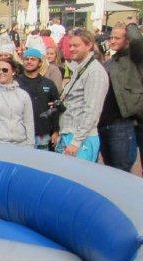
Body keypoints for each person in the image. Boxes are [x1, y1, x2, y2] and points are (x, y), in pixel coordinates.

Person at [55, 29, 109, 162]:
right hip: (69, 135)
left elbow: (92, 110)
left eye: (76, 45)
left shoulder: (95, 72)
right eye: (70, 45)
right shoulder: (80, 69)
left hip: (80, 140)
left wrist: (76, 142)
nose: (71, 49)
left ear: (89, 45)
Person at [99, 20, 143, 172]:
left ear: (127, 40)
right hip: (108, 122)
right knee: (111, 170)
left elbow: (137, 41)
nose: (112, 41)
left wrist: (131, 26)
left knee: (122, 170)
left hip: (128, 120)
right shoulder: (109, 63)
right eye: (111, 37)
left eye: (117, 38)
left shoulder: (135, 58)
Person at [0, 59, 34, 147]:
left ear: (13, 72)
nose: (1, 72)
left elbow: (29, 122)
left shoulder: (23, 95)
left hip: (21, 144)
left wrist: (30, 145)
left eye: (5, 70)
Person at [16, 48, 60, 150]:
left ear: (40, 63)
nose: (29, 61)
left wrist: (55, 131)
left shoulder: (48, 84)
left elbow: (55, 108)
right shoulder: (16, 83)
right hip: (21, 134)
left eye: (33, 59)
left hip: (42, 134)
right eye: (26, 59)